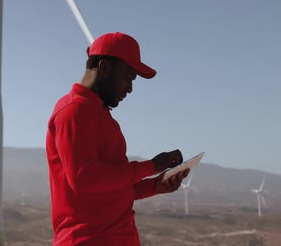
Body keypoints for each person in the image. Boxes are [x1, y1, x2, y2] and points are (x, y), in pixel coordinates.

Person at [46, 32, 189, 245]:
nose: (130, 88)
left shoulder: (101, 115)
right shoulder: (74, 111)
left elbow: (110, 189)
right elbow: (84, 179)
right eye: (128, 77)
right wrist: (151, 166)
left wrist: (155, 186)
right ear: (104, 67)